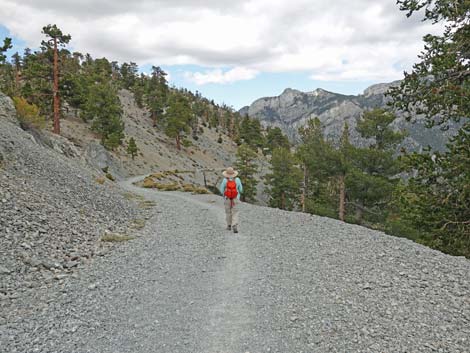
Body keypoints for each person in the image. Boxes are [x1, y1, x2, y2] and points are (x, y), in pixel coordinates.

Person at [219, 167, 243, 233]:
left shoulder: (224, 180)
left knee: (228, 212)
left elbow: (221, 190)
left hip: (227, 198)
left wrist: (224, 194)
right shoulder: (237, 179)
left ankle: (229, 225)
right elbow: (241, 190)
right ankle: (234, 225)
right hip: (236, 198)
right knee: (235, 212)